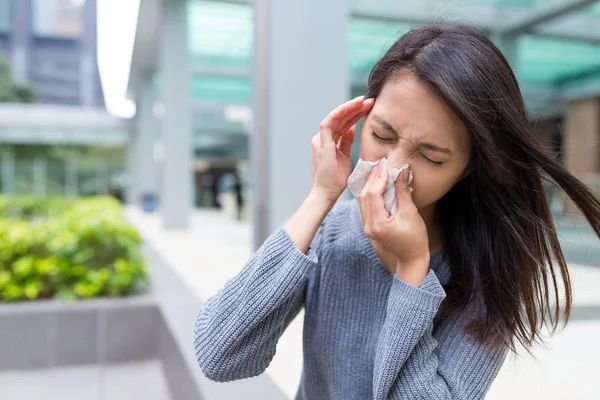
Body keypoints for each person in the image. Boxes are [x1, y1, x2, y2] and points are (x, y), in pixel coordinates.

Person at [193, 24, 600, 399]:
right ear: (361, 117)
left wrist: (413, 268)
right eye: (381, 134)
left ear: (469, 167)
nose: (392, 169)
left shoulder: (490, 273)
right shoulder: (330, 234)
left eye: (431, 156)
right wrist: (319, 198)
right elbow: (218, 353)